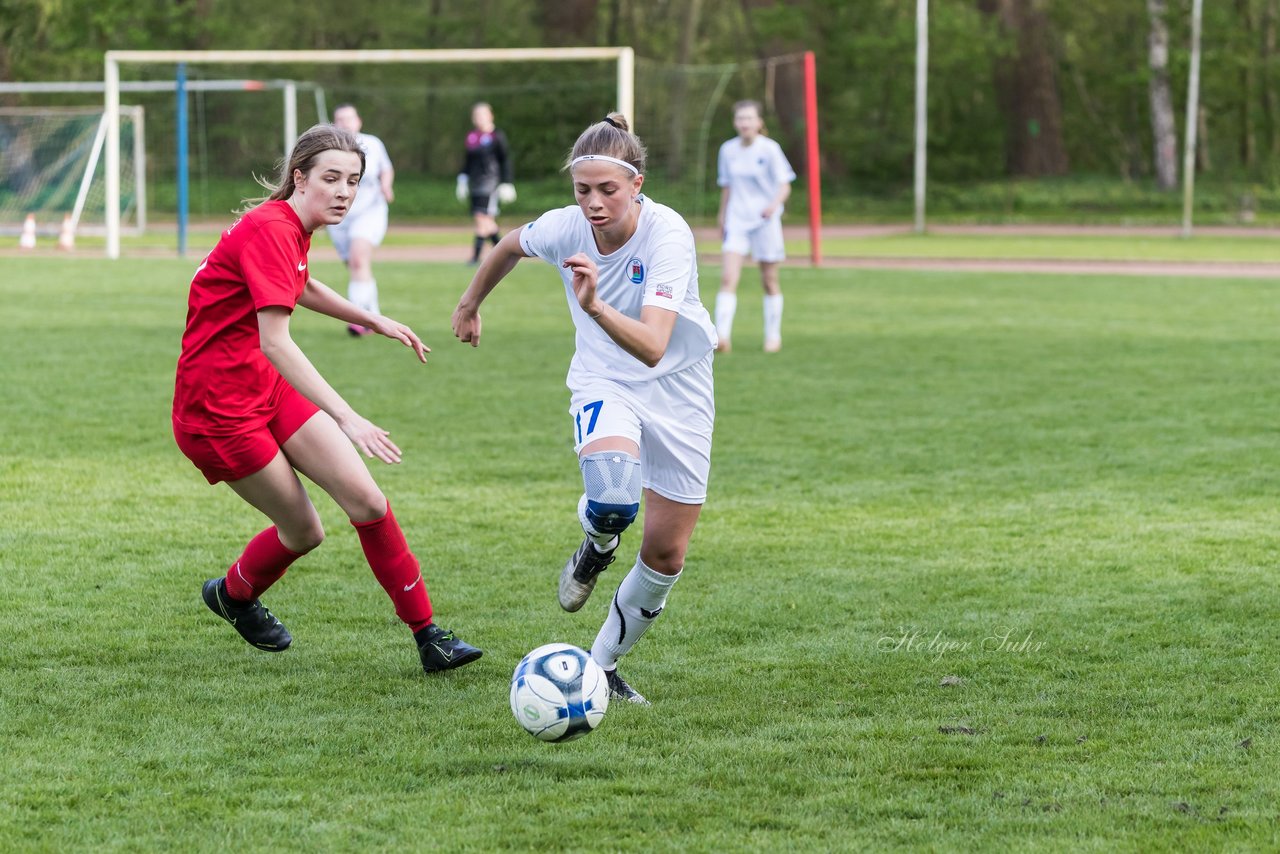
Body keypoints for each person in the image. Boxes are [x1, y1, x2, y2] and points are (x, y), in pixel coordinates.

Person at [173, 123, 481, 675]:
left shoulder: (290, 228)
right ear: (300, 178)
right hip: (217, 413)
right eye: (331, 178)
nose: (343, 192)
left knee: (367, 502)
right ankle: (233, 595)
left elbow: (302, 283)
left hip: (261, 391)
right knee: (305, 532)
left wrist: (372, 318)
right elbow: (275, 341)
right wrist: (348, 417)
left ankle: (430, 636)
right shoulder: (271, 228)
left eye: (354, 182)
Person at [451, 113, 716, 705]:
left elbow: (652, 347)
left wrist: (594, 306)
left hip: (679, 388)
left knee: (666, 553)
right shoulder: (565, 226)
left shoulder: (669, 236)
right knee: (616, 498)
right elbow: (509, 245)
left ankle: (601, 670)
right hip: (603, 381)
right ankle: (596, 545)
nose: (593, 204)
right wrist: (469, 303)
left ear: (637, 184)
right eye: (582, 190)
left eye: (607, 191)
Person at [713, 100, 796, 354]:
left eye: (749, 118)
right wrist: (722, 215)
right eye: (740, 118)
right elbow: (727, 186)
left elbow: (785, 185)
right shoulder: (727, 150)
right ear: (735, 122)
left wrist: (773, 205)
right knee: (728, 277)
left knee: (769, 281)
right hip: (738, 219)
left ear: (759, 122)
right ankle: (721, 337)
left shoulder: (770, 149)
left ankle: (773, 336)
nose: (744, 123)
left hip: (765, 222)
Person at [327, 104, 394, 337]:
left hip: (370, 211)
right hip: (339, 216)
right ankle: (374, 315)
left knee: (358, 260)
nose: (344, 123)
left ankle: (358, 321)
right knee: (356, 266)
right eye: (339, 119)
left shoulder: (372, 144)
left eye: (349, 118)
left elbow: (386, 169)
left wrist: (386, 186)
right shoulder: (328, 150)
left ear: (359, 122)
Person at [456, 102, 515, 265]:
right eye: (476, 116)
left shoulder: (497, 136)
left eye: (483, 115)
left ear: (490, 116)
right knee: (487, 223)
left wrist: (507, 182)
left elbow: (505, 160)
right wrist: (462, 178)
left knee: (482, 219)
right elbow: (468, 161)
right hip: (474, 184)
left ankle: (475, 258)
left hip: (490, 183)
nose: (479, 119)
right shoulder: (472, 137)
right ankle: (505, 254)